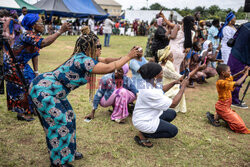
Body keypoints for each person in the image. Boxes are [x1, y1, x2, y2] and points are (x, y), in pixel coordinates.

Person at [29, 26, 141, 167]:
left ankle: (68, 150)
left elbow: (107, 60)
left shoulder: (87, 57)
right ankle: (58, 162)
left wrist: (125, 56)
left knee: (70, 117)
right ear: (89, 47)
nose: (101, 48)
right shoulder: (84, 61)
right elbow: (108, 67)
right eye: (98, 46)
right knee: (60, 122)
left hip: (54, 91)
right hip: (44, 90)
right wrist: (129, 57)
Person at [3, 13, 71, 121]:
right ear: (34, 25)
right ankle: (22, 113)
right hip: (12, 64)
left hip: (21, 64)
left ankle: (31, 108)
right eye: (41, 23)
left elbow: (35, 54)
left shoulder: (35, 36)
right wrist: (60, 31)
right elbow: (43, 43)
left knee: (33, 82)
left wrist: (36, 71)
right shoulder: (27, 35)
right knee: (24, 85)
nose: (43, 24)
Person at [132, 62, 189, 148]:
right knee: (173, 131)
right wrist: (183, 88)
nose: (163, 74)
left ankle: (148, 131)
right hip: (144, 121)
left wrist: (174, 82)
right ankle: (144, 134)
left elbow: (161, 89)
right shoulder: (150, 92)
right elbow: (173, 104)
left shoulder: (148, 82)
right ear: (155, 76)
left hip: (144, 115)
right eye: (161, 73)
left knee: (171, 114)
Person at [158, 45, 206, 113]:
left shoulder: (161, 64)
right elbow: (183, 78)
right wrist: (197, 69)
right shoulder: (166, 69)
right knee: (178, 92)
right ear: (165, 59)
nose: (173, 58)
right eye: (171, 57)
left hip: (165, 86)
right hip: (166, 89)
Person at [206, 64, 250, 134]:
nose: (230, 72)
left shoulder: (224, 79)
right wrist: (246, 74)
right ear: (223, 73)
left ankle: (218, 116)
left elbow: (232, 77)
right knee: (241, 126)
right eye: (229, 71)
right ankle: (218, 116)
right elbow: (238, 83)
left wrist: (242, 72)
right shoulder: (221, 82)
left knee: (234, 119)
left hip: (225, 107)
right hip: (223, 108)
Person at [227, 22, 250, 109]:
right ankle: (234, 100)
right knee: (238, 79)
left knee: (232, 77)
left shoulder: (245, 25)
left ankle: (231, 97)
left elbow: (234, 37)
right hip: (242, 57)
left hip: (234, 53)